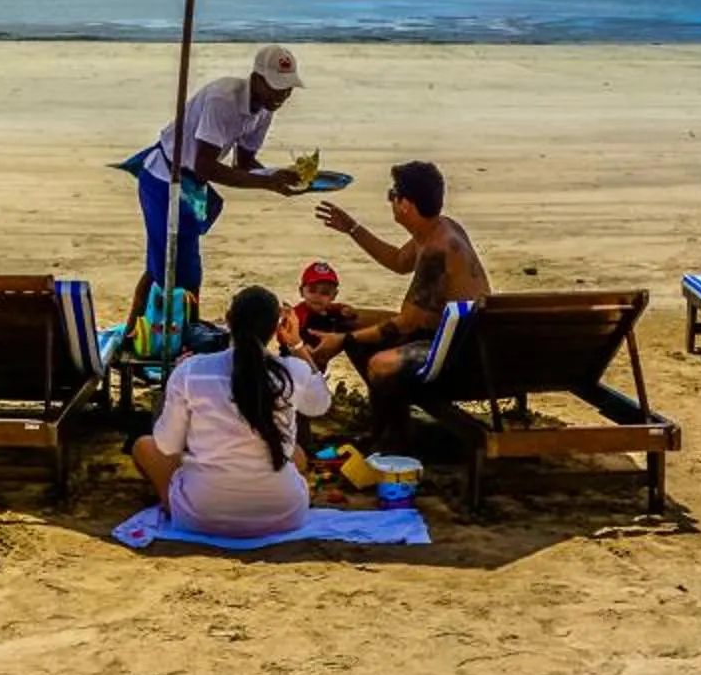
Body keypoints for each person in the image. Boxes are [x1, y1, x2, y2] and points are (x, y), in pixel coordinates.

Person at [310, 161, 492, 452]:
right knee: (348, 318)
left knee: (380, 364)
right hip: (446, 332)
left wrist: (342, 341)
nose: (390, 201)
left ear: (405, 204)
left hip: (458, 350)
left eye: (392, 195)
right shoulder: (436, 228)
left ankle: (395, 439)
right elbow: (398, 261)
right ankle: (386, 424)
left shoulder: (438, 249)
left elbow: (408, 323)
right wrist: (352, 228)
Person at [132, 285, 333, 537]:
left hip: (201, 515)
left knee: (145, 446)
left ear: (228, 321)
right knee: (296, 455)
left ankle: (178, 499)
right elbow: (321, 404)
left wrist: (178, 381)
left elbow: (167, 445)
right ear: (275, 329)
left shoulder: (192, 370)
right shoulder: (292, 371)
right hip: (285, 513)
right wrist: (297, 344)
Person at [129, 44, 307, 315]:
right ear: (257, 79)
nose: (282, 94)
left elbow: (244, 164)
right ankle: (170, 329)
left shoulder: (264, 111)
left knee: (172, 261)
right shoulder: (222, 100)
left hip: (192, 186)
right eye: (276, 86)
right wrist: (266, 182)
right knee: (175, 267)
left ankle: (157, 327)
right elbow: (205, 167)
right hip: (166, 177)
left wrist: (278, 177)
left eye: (288, 87)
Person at [278, 260, 357, 367]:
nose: (317, 296)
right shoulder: (298, 313)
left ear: (334, 295)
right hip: (292, 363)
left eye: (325, 293)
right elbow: (283, 335)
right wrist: (301, 346)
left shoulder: (331, 310)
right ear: (301, 291)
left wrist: (345, 309)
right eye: (312, 290)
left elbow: (339, 308)